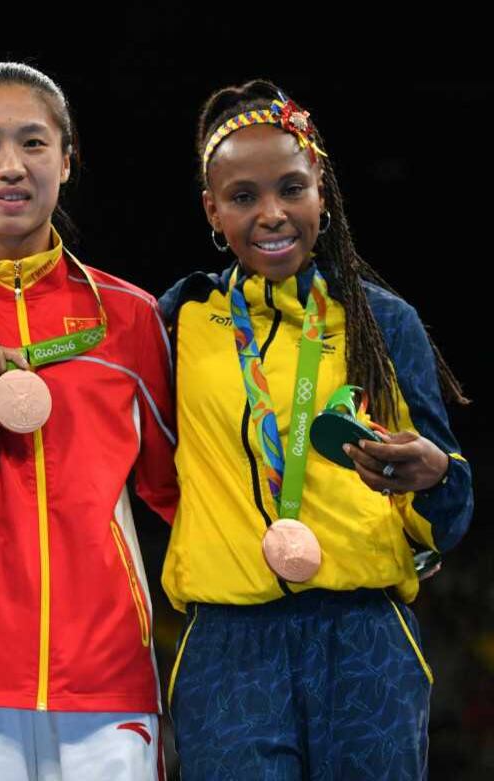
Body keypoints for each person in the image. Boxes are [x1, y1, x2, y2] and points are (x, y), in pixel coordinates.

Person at [161, 79, 472, 779]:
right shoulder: (179, 323)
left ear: (322, 193)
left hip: (363, 639)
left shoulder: (383, 323)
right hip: (230, 648)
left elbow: (448, 514)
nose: (272, 214)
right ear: (213, 209)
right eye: (243, 196)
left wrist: (439, 479)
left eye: (291, 189)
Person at [0, 62, 179, 780]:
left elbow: (177, 493)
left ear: (67, 158)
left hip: (109, 674)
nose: (11, 165)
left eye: (34, 143)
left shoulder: (131, 319)